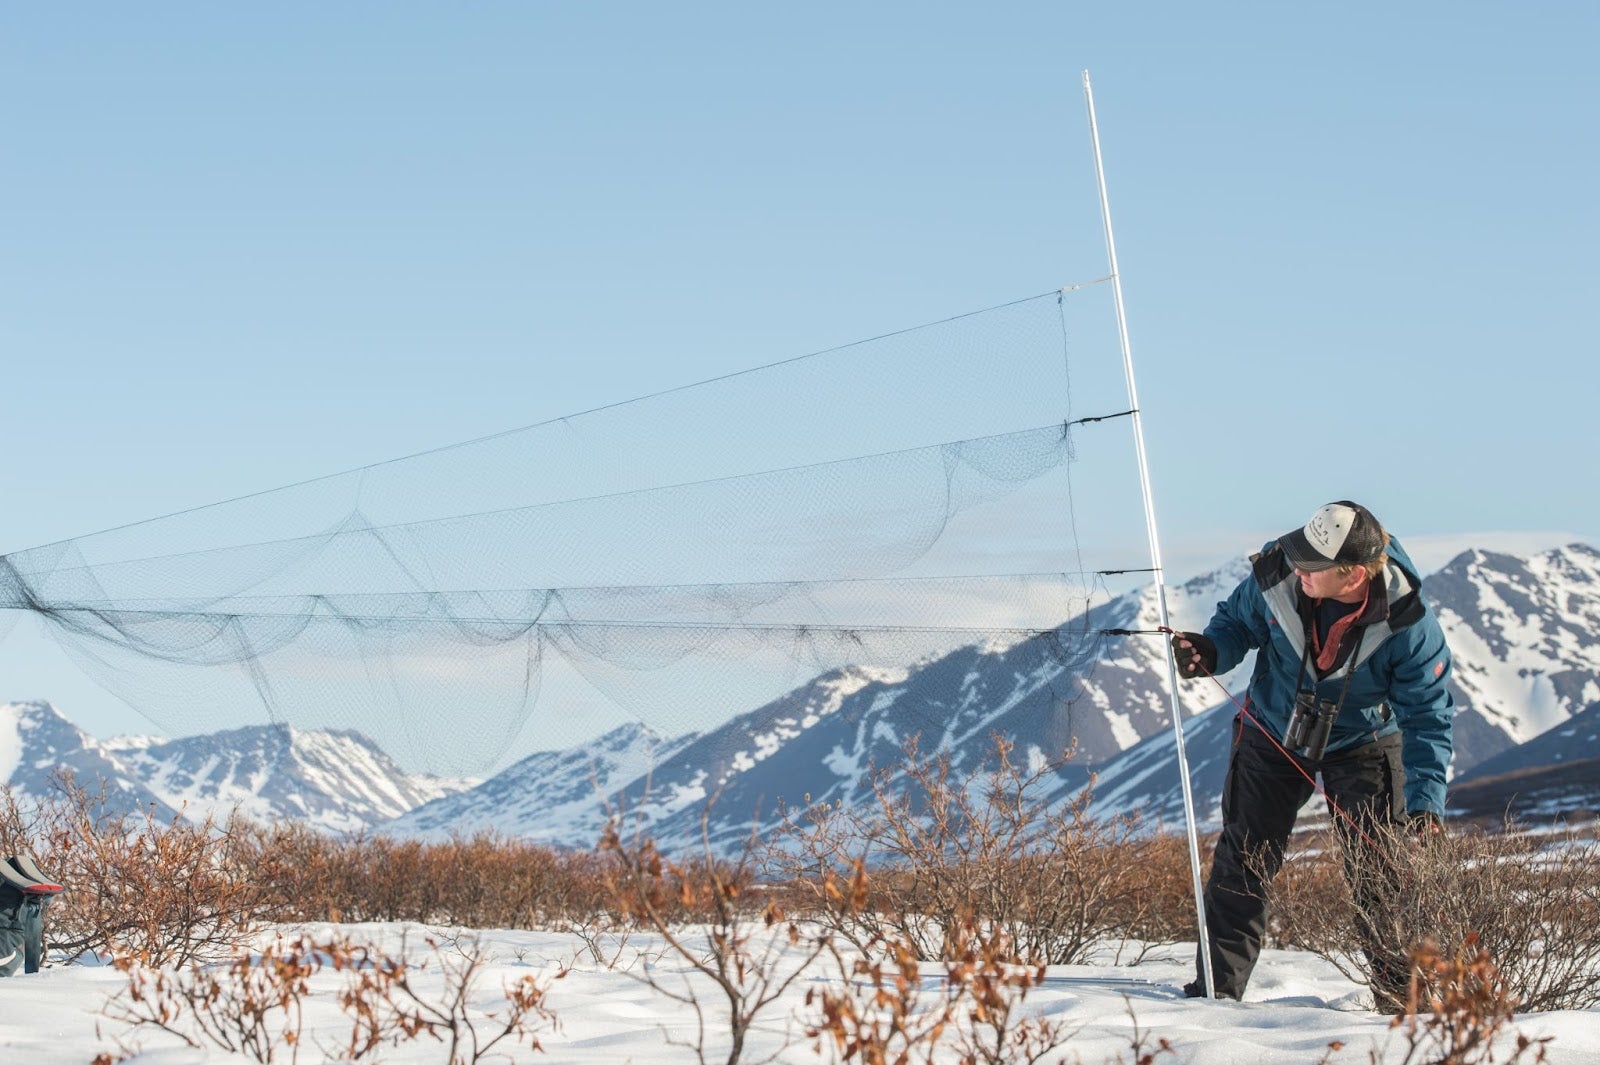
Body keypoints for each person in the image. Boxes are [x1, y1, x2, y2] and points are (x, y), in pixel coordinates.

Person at [1170, 500, 1454, 1010]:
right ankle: (1212, 999)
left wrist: (1426, 803)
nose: (1298, 566)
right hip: (1272, 729)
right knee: (1242, 863)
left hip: (1364, 744)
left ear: (1353, 577)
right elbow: (1236, 624)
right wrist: (1211, 650)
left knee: (1380, 875)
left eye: (1312, 563)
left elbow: (1428, 719)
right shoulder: (1280, 572)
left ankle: (1401, 1010)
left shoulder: (1409, 623)